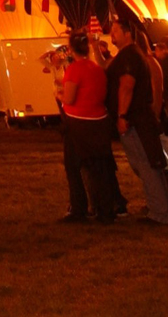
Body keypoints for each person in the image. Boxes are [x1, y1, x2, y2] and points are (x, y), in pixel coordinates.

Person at [106, 21, 168, 225]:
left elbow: (126, 86)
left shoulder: (129, 56)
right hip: (139, 118)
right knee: (149, 164)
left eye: (116, 30)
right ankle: (164, 208)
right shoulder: (134, 55)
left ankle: (160, 213)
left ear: (127, 33)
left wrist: (121, 115)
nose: (111, 34)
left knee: (145, 165)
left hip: (134, 120)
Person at [56, 34, 118, 223]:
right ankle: (106, 209)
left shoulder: (75, 69)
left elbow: (69, 99)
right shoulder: (97, 68)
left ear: (71, 49)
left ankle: (79, 208)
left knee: (74, 168)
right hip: (99, 121)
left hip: (78, 122)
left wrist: (58, 94)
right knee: (99, 168)